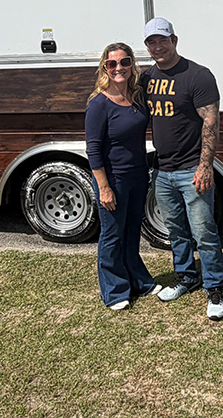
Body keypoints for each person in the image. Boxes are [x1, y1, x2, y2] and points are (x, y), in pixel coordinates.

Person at [142, 17, 223, 321]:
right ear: (147, 46)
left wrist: (206, 166)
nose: (158, 46)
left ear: (175, 40)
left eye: (163, 40)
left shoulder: (198, 76)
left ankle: (214, 288)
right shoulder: (147, 78)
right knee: (176, 231)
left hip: (193, 170)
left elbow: (211, 120)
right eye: (151, 42)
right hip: (163, 171)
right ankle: (186, 278)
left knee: (204, 232)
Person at [86, 42, 161, 310]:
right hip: (113, 179)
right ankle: (115, 291)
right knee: (112, 234)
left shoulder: (137, 97)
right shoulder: (99, 103)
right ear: (105, 68)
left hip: (138, 176)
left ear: (132, 65)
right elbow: (93, 148)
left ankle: (139, 281)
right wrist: (104, 187)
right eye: (112, 63)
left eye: (125, 61)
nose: (119, 68)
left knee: (131, 232)